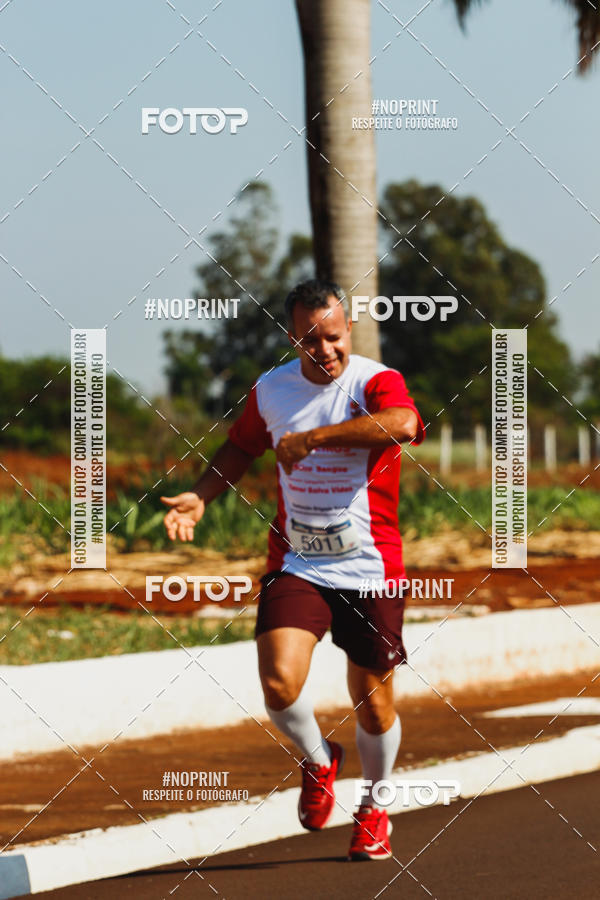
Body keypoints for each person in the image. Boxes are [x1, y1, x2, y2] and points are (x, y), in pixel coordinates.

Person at [161, 279, 425, 861]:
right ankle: (319, 758)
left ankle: (375, 807)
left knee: (374, 702)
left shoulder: (373, 381)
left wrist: (314, 438)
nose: (325, 351)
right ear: (292, 338)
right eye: (310, 341)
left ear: (348, 329)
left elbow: (403, 423)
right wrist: (202, 496)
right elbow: (240, 448)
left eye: (333, 337)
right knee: (279, 684)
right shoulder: (272, 390)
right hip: (298, 561)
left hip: (370, 567)